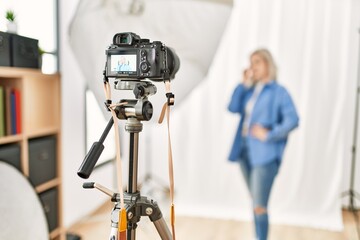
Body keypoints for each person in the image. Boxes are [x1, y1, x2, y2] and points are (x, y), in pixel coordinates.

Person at [228, 48, 299, 240]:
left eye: (257, 62)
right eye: (251, 63)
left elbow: (292, 120)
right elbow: (232, 107)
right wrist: (244, 84)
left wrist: (269, 134)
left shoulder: (279, 92)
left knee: (259, 205)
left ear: (268, 64)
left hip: (265, 155)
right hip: (244, 151)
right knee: (255, 201)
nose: (252, 67)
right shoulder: (250, 90)